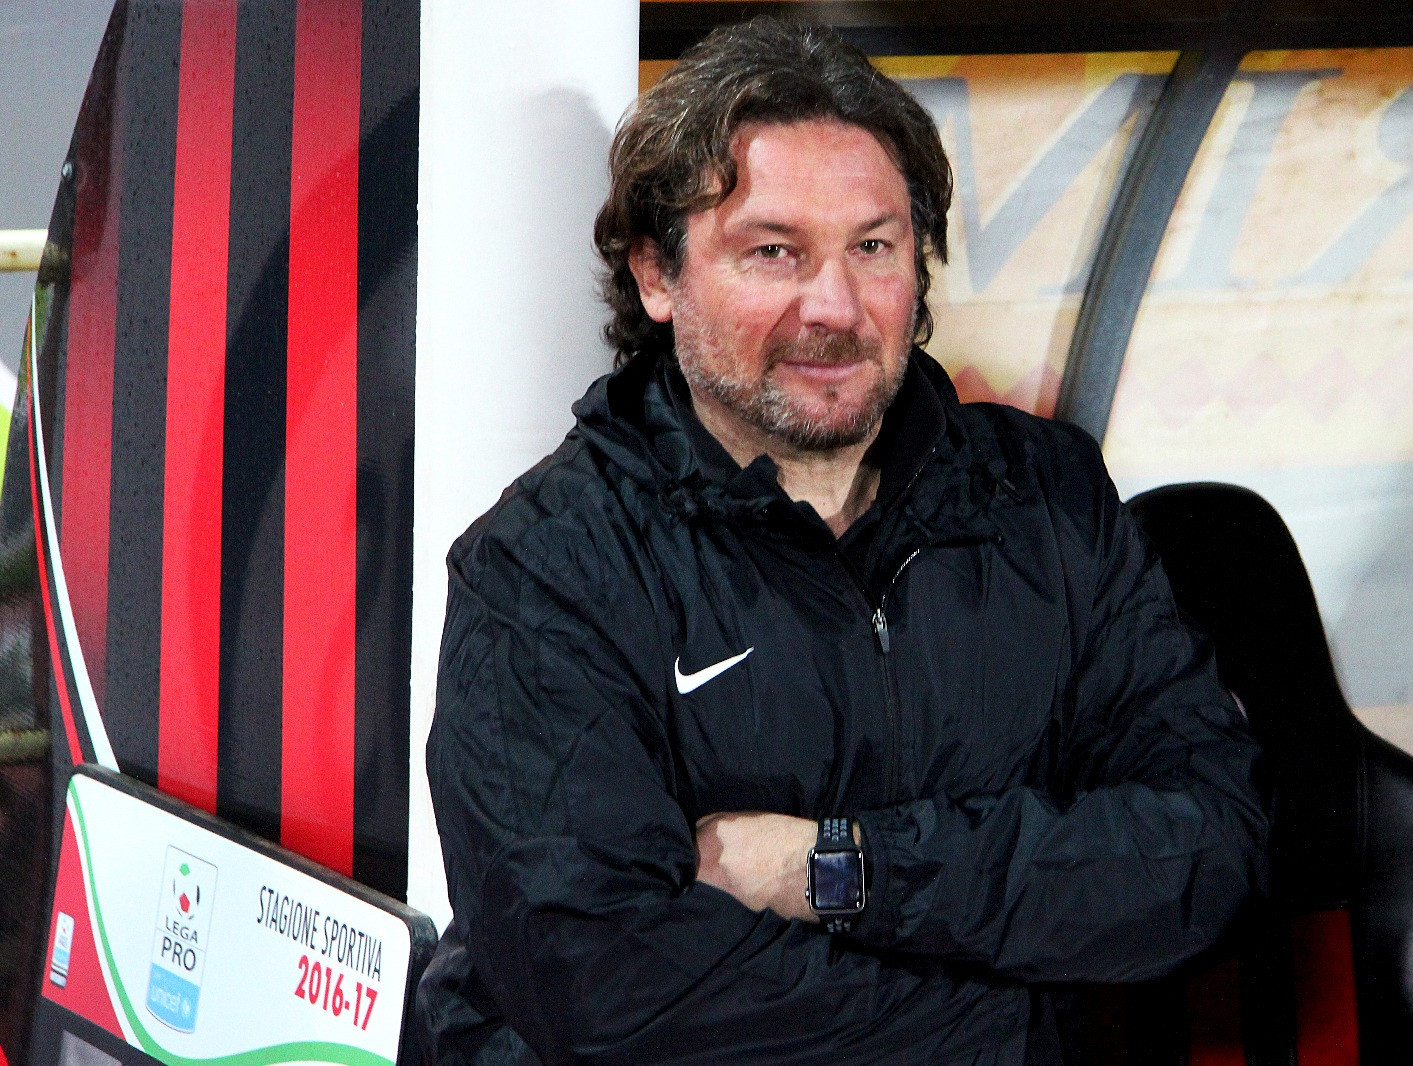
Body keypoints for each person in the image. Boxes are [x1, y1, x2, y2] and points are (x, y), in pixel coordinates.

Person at [418, 17, 1266, 1065]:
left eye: (873, 247)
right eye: (773, 251)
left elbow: (1208, 851)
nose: (835, 305)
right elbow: (602, 985)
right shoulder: (547, 566)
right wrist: (1004, 1017)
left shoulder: (1047, 498)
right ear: (655, 275)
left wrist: (836, 868)